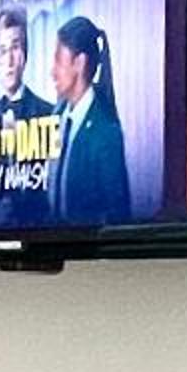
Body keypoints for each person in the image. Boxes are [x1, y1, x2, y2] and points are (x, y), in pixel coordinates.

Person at [0, 4, 55, 225]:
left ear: (25, 55)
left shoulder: (51, 115)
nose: (8, 61)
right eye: (2, 50)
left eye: (15, 48)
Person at [47, 14, 132, 225]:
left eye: (58, 60)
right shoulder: (56, 117)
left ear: (79, 63)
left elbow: (118, 215)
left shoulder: (106, 131)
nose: (52, 72)